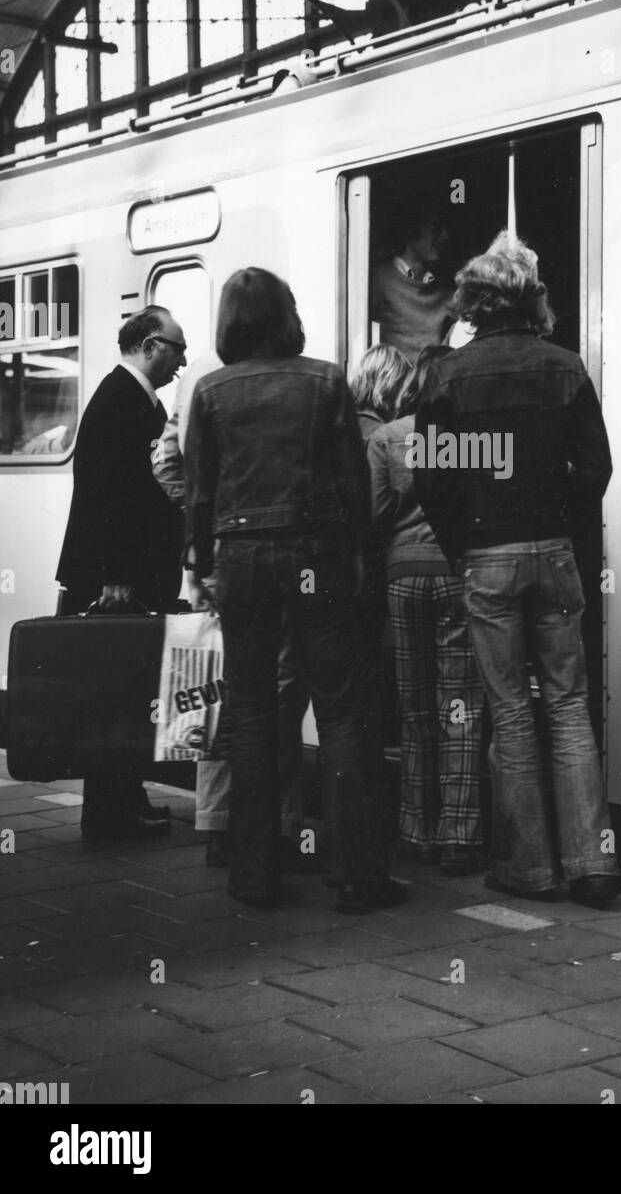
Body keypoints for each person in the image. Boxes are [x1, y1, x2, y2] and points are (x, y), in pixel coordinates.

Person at [183, 267, 407, 912]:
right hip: (319, 555)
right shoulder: (326, 379)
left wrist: (201, 565)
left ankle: (254, 873)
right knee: (341, 711)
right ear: (288, 314)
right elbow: (350, 481)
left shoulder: (211, 390)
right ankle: (356, 874)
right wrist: (360, 557)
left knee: (251, 710)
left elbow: (200, 488)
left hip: (243, 559)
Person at [414, 231, 621, 907]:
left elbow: (433, 480)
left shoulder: (447, 376)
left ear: (475, 303)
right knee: (567, 709)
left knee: (510, 715)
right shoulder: (566, 367)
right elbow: (596, 469)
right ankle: (592, 863)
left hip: (488, 557)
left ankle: (531, 868)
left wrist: (466, 545)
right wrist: (555, 518)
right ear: (528, 299)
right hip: (554, 554)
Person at [152, 352, 309, 873]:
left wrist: (204, 525)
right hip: (280, 558)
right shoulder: (298, 375)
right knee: (282, 694)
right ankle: (279, 827)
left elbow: (165, 461)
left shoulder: (199, 374)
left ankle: (220, 824)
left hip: (219, 560)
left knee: (218, 692)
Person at [56, 305, 187, 840]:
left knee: (123, 689)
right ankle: (113, 810)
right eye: (177, 349)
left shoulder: (128, 397)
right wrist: (114, 574)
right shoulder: (121, 400)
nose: (181, 361)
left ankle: (120, 802)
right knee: (119, 691)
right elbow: (106, 495)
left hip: (124, 571)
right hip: (117, 576)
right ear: (152, 345)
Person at [367, 346, 485, 875]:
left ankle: (416, 830)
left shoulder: (387, 437)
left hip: (403, 579)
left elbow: (375, 514)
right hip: (456, 576)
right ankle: (459, 835)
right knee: (459, 708)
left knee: (415, 713)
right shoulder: (472, 439)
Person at [371, 203, 454, 361]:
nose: (445, 236)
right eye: (436, 226)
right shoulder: (380, 279)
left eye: (446, 229)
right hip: (393, 381)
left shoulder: (447, 289)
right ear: (413, 227)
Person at [349, 344, 411, 445]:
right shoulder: (384, 437)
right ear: (392, 383)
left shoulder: (347, 425)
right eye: (405, 383)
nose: (407, 392)